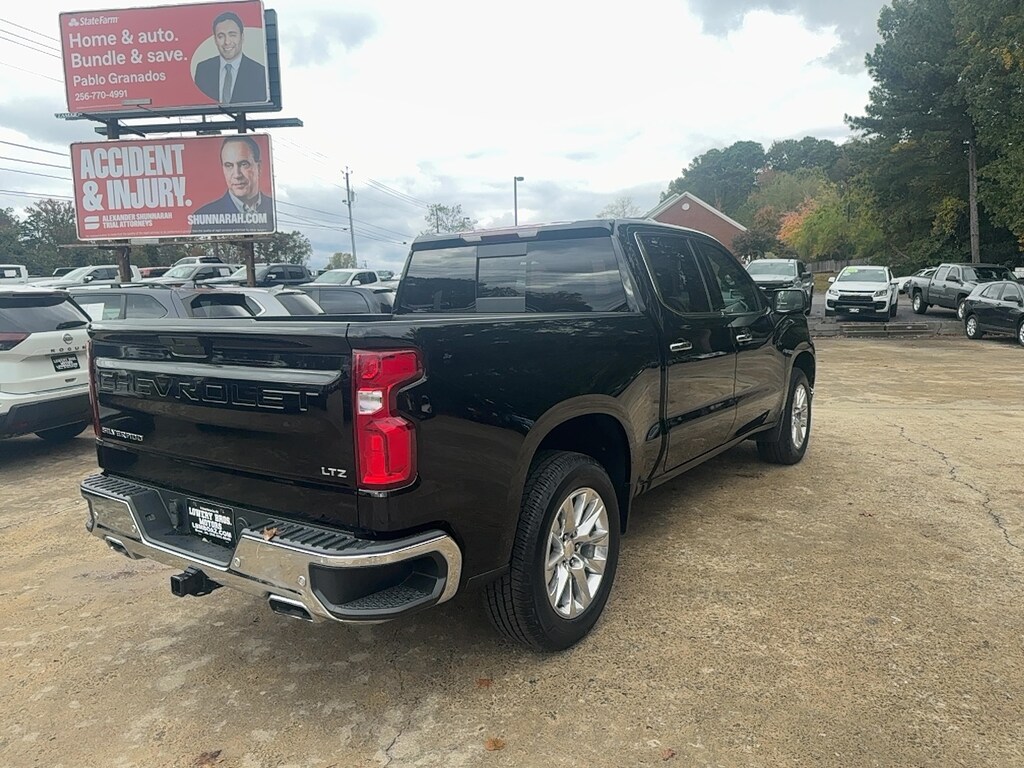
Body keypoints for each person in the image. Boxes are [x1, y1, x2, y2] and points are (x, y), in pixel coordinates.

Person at [189, 136, 274, 235]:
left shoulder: (275, 209)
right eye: (229, 166)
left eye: (243, 164)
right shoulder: (203, 217)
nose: (237, 175)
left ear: (258, 167)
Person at [193, 11, 268, 105]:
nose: (227, 42)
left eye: (232, 35)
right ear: (215, 40)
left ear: (242, 37)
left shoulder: (258, 72)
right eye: (221, 36)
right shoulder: (203, 69)